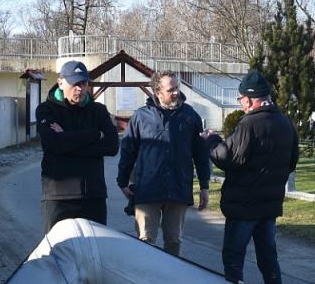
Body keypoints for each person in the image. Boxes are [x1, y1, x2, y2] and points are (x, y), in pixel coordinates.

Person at [202, 70, 299, 284]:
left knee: (234, 257)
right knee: (268, 256)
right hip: (270, 205)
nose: (240, 104)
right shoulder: (285, 122)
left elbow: (227, 158)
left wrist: (212, 140)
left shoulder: (249, 124)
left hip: (244, 205)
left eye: (240, 99)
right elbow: (292, 161)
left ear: (248, 99)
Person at [117, 71, 210, 256]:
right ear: (157, 92)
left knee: (174, 241)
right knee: (145, 242)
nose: (176, 93)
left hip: (178, 188)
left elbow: (200, 153)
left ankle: (171, 275)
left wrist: (204, 186)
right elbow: (128, 151)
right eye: (171, 90)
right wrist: (123, 181)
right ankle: (145, 274)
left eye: (177, 88)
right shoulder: (141, 117)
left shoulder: (190, 116)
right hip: (147, 190)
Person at [36, 60, 119, 231]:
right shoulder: (46, 110)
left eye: (84, 83)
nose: (80, 88)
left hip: (94, 195)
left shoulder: (99, 111)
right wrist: (94, 134)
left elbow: (112, 147)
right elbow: (55, 144)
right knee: (59, 247)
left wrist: (67, 139)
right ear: (60, 83)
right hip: (58, 196)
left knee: (96, 247)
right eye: (74, 83)